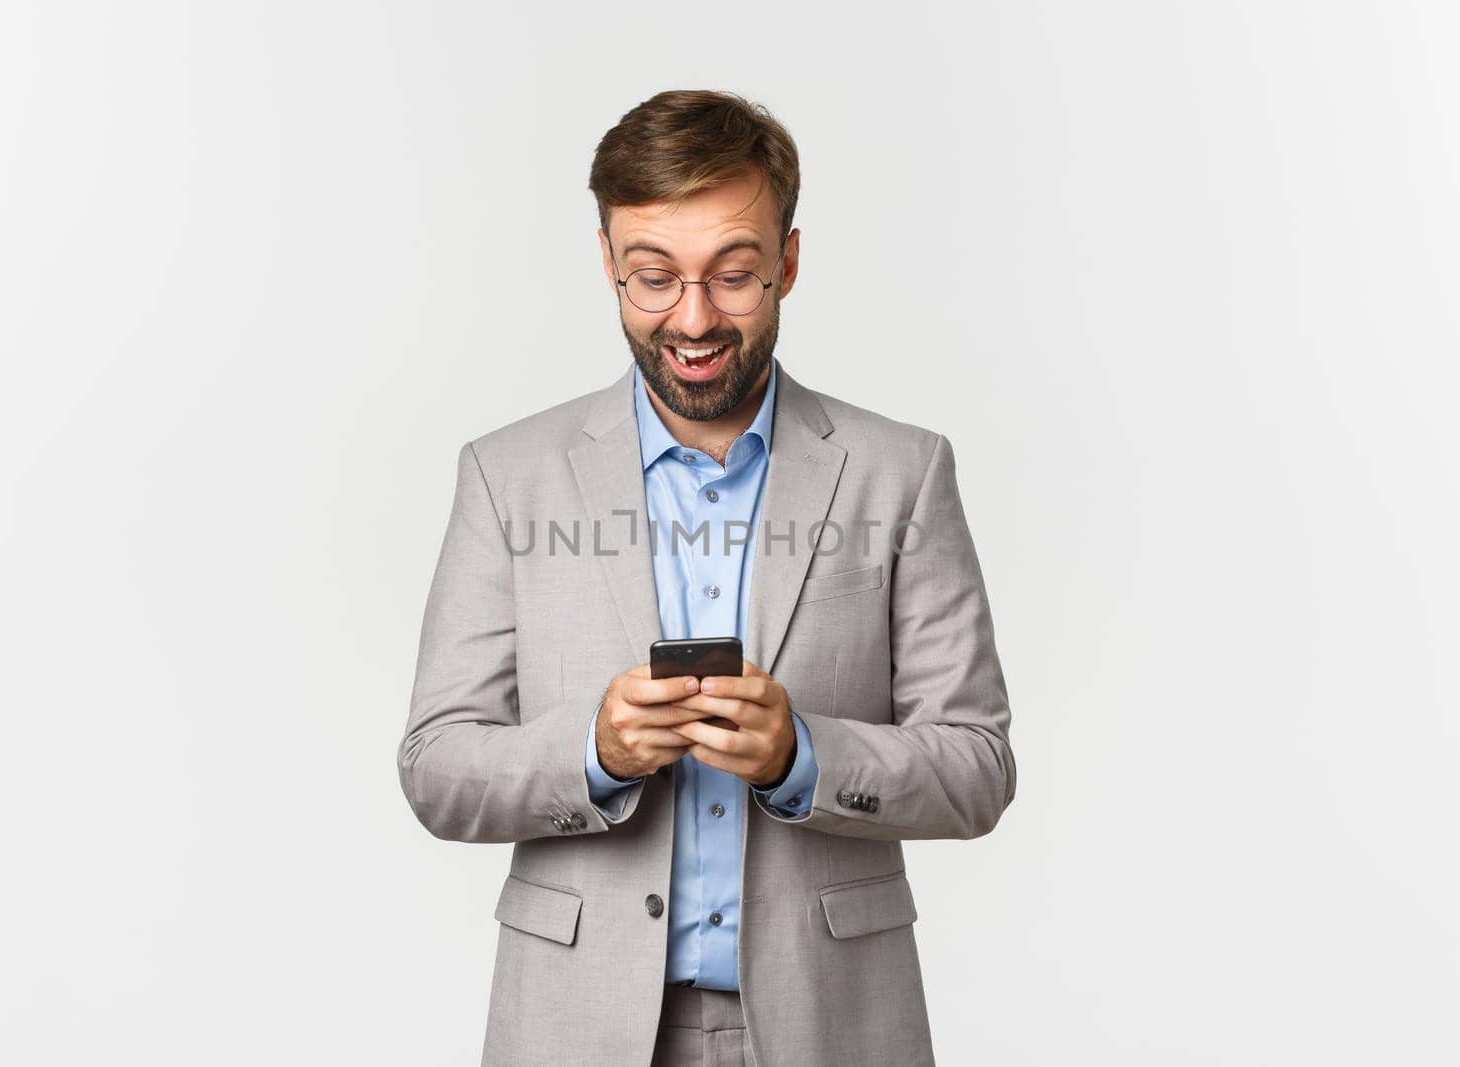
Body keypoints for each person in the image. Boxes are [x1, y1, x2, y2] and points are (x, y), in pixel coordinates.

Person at [396, 88, 1016, 1067]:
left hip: (833, 1022)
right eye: (653, 278)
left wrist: (801, 754)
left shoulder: (902, 470)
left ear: (788, 262)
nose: (693, 319)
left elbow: (976, 766)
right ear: (606, 262)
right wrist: (593, 750)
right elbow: (436, 767)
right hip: (574, 1022)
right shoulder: (507, 473)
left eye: (732, 275)